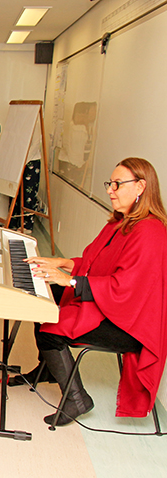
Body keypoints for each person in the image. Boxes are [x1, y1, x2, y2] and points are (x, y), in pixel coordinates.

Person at [20, 158, 167, 425]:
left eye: (117, 184)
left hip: (130, 325)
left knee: (50, 328)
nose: (110, 190)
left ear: (140, 187)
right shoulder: (120, 222)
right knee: (42, 297)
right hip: (112, 305)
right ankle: (49, 369)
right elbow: (94, 264)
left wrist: (70, 281)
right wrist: (61, 263)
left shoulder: (150, 231)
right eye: (110, 183)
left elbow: (125, 288)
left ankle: (77, 400)